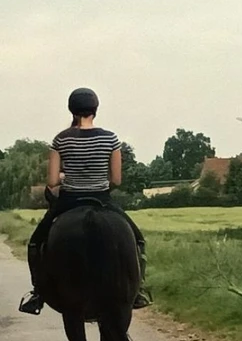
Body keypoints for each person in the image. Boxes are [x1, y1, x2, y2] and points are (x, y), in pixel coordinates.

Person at [18, 88, 152, 315]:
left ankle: (38, 293)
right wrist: (98, 181)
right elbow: (116, 179)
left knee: (35, 242)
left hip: (69, 201)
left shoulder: (61, 139)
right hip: (102, 200)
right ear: (95, 109)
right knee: (138, 240)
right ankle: (137, 290)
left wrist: (65, 177)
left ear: (72, 109)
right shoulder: (111, 138)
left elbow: (51, 181)